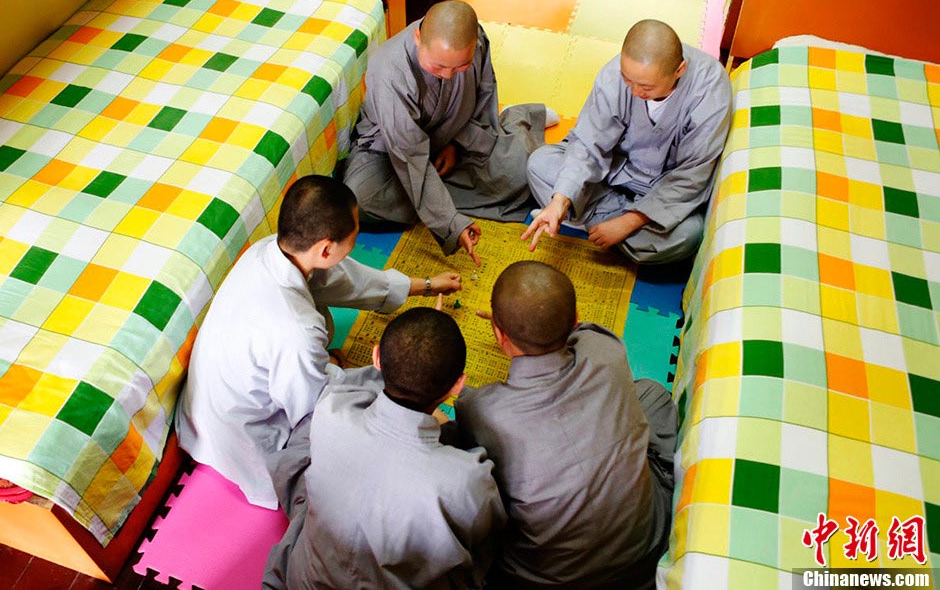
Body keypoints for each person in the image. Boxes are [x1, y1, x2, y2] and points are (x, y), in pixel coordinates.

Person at [175, 175, 461, 509]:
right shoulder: (297, 330)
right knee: (380, 395)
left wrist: (425, 285)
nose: (354, 244)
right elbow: (312, 410)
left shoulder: (270, 248)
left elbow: (346, 278)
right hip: (242, 437)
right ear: (326, 248)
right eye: (353, 240)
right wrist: (340, 369)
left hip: (208, 405)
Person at [456, 261, 677, 589]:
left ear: (499, 335)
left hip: (547, 579)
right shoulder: (606, 349)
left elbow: (468, 412)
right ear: (574, 321)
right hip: (649, 547)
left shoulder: (481, 409)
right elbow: (578, 330)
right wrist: (535, 322)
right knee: (651, 392)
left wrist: (460, 385)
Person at [263, 307, 506, 589]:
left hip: (303, 579)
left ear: (376, 356)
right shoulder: (467, 479)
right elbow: (488, 541)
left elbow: (357, 389)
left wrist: (407, 352)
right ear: (457, 385)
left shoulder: (331, 411)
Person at [343, 0, 554, 266]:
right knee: (359, 200)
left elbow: (483, 98)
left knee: (522, 172)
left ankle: (519, 118)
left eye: (460, 68)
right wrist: (451, 223)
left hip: (457, 134)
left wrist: (455, 143)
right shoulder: (389, 70)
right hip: (392, 151)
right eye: (438, 67)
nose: (448, 76)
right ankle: (436, 202)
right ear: (418, 37)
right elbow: (408, 155)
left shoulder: (475, 41)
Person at [523, 19, 732, 264]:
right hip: (612, 173)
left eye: (645, 87)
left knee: (688, 236)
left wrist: (628, 221)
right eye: (627, 80)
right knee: (539, 163)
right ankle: (579, 217)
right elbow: (589, 143)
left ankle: (584, 220)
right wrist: (559, 201)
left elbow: (691, 177)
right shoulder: (614, 74)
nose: (633, 92)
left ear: (680, 70)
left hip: (661, 192)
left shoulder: (710, 92)